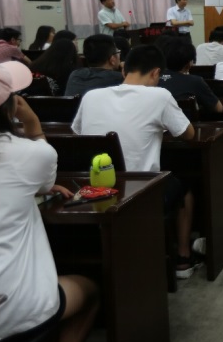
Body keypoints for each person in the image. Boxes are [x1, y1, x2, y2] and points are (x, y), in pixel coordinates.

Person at [0, 59, 98, 342]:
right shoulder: (29, 154)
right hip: (6, 309)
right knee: (90, 289)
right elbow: (43, 180)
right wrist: (33, 125)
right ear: (9, 106)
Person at [72, 45, 203, 278]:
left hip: (95, 188)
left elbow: (79, 133)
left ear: (124, 70)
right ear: (156, 73)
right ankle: (183, 258)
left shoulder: (91, 96)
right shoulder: (160, 96)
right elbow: (189, 134)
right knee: (184, 189)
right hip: (141, 192)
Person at [158, 39, 223, 113]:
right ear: (189, 64)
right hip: (187, 120)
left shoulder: (152, 80)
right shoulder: (195, 82)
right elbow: (219, 108)